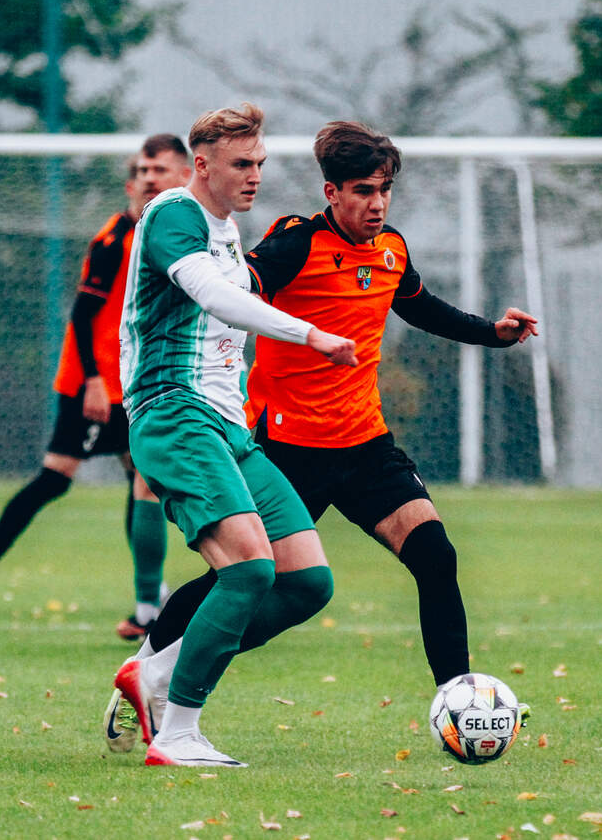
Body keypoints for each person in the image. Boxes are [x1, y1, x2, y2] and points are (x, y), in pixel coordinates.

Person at [105, 120, 537, 752]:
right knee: (239, 575)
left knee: (433, 557)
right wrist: (292, 335)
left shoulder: (390, 250)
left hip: (364, 445)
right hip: (287, 445)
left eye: (384, 190)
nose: (377, 204)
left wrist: (490, 332)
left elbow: (419, 306)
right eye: (363, 191)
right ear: (331, 192)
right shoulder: (293, 243)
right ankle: (148, 672)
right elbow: (230, 292)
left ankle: (460, 704)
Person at [111, 103, 358, 768]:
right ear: (202, 165)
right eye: (242, 163)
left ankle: (154, 673)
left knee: (307, 581)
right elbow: (214, 296)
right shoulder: (173, 213)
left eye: (260, 163)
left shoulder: (226, 230)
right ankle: (177, 733)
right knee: (248, 568)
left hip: (227, 425)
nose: (255, 176)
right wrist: (309, 335)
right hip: (174, 410)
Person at [0, 135, 191, 637]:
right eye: (143, 171)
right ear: (130, 184)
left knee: (141, 480)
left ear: (184, 177)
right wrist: (93, 382)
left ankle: (148, 597)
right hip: (95, 384)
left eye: (159, 170)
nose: (149, 179)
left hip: (134, 383)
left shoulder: (167, 233)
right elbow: (82, 315)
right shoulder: (113, 241)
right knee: (57, 477)